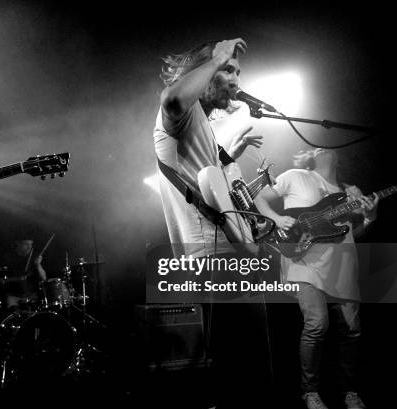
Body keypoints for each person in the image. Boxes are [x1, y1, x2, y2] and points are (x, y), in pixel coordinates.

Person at [154, 39, 270, 409]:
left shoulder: (202, 123)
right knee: (242, 369)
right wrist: (217, 56)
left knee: (250, 363)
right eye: (229, 70)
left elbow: (210, 185)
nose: (236, 79)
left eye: (238, 71)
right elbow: (172, 100)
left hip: (229, 253)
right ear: (202, 74)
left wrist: (228, 159)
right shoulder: (180, 112)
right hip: (211, 258)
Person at [255, 148, 378, 409]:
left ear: (339, 159)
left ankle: (350, 392)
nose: (322, 148)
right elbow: (260, 199)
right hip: (304, 263)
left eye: (327, 148)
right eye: (317, 148)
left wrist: (370, 217)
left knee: (352, 332)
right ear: (310, 157)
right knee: (317, 324)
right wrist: (276, 219)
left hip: (343, 266)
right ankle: (309, 392)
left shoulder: (350, 192)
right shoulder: (295, 175)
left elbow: (354, 233)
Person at [0, 237, 48, 310]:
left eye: (31, 244)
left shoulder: (35, 258)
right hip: (13, 297)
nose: (29, 247)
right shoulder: (7, 258)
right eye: (26, 244)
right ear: (18, 243)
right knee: (13, 316)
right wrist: (18, 279)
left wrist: (38, 265)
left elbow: (44, 278)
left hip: (32, 296)